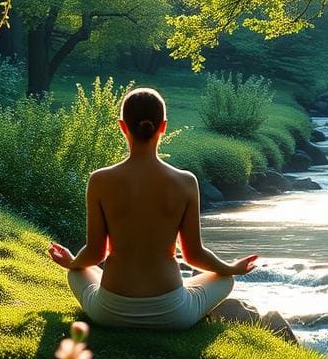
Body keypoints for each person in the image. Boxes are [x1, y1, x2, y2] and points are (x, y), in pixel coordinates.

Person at [48, 87, 258, 330]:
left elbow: (96, 254)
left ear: (122, 126)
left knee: (76, 272)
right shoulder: (185, 181)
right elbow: (193, 255)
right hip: (172, 315)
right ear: (164, 126)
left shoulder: (99, 180)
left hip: (109, 311)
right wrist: (231, 268)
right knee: (225, 280)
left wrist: (72, 262)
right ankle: (186, 293)